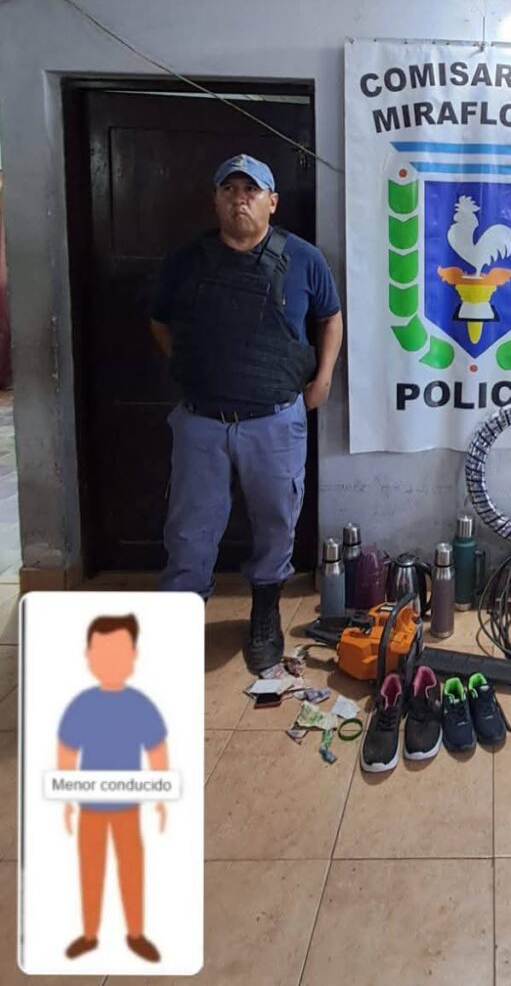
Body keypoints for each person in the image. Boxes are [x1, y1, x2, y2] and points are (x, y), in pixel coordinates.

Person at [150, 154, 343, 671]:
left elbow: (330, 316)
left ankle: (264, 614)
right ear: (215, 200)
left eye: (251, 190)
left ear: (272, 202)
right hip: (201, 422)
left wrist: (323, 378)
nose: (240, 198)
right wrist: (195, 368)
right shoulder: (187, 260)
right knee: (189, 530)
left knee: (277, 521)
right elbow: (160, 321)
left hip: (275, 421)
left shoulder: (302, 258)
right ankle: (178, 622)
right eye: (229, 189)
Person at [58, 614, 166, 964]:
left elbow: (156, 748)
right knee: (90, 868)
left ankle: (135, 932)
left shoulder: (139, 703)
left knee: (130, 866)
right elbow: (66, 749)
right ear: (89, 657)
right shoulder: (82, 703)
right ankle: (89, 933)